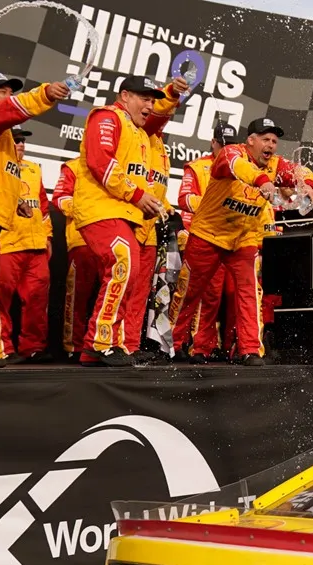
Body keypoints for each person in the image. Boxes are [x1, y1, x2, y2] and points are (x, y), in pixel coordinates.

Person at [173, 117, 313, 366]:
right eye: (265, 139)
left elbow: (300, 172)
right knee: (192, 293)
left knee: (250, 293)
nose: (271, 145)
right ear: (250, 141)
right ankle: (178, 344)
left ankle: (250, 349)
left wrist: (309, 185)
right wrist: (262, 181)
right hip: (208, 234)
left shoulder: (275, 164)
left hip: (243, 237)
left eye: (274, 140)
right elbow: (240, 167)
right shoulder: (230, 153)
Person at [0, 72, 68, 368]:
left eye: (9, 91)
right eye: (1, 91)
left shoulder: (3, 141)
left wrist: (16, 205)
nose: (6, 96)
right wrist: (46, 93)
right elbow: (10, 108)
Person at [72, 75, 169, 366]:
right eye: (144, 98)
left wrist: (151, 203)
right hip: (99, 208)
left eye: (152, 99)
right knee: (122, 259)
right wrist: (138, 195)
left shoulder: (141, 134)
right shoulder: (107, 117)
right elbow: (100, 162)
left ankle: (100, 347)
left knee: (129, 271)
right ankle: (100, 342)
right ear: (124, 96)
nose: (150, 105)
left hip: (124, 213)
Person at [171, 122, 241, 362]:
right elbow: (185, 198)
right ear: (213, 143)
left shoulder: (242, 166)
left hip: (227, 239)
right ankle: (174, 343)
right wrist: (215, 207)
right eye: (223, 144)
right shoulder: (198, 167)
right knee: (188, 293)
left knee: (215, 297)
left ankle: (202, 347)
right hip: (199, 235)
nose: (226, 149)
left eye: (231, 145)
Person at [123, 81, 182, 363]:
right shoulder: (137, 132)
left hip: (150, 229)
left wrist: (168, 209)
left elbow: (155, 187)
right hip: (129, 221)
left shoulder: (158, 144)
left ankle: (131, 345)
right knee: (124, 286)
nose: (155, 113)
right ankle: (112, 344)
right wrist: (170, 93)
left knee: (141, 292)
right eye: (148, 104)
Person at [0, 127, 51, 363]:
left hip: (36, 245)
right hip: (5, 243)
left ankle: (33, 348)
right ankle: (1, 347)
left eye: (23, 141)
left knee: (38, 301)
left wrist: (47, 238)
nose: (20, 144)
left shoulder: (34, 169)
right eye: (16, 140)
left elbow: (44, 207)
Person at [53, 159, 98, 361]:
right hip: (81, 239)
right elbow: (60, 198)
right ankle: (74, 345)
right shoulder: (73, 166)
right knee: (78, 297)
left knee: (108, 296)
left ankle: (101, 344)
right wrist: (87, 210)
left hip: (112, 239)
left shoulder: (117, 164)